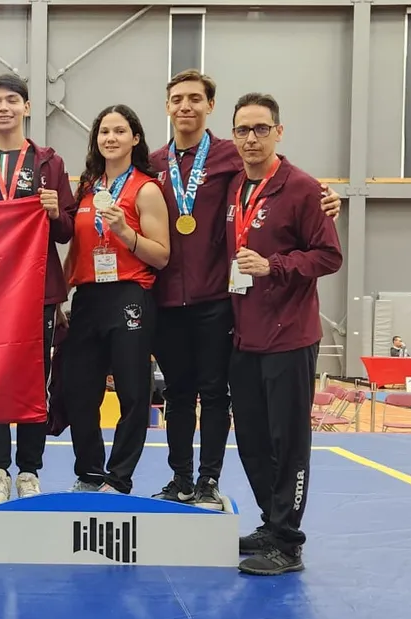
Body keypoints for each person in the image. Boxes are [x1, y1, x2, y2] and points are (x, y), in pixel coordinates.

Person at [149, 70, 342, 510]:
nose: (185, 106)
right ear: (167, 106)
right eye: (177, 99)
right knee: (178, 394)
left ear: (210, 106)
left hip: (219, 299)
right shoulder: (154, 163)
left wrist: (326, 198)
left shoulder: (230, 157)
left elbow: (279, 179)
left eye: (195, 98)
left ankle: (209, 482)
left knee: (216, 394)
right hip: (170, 300)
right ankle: (181, 479)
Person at [226, 93, 343, 575]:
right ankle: (270, 524)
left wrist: (273, 265)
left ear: (279, 131)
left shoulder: (303, 189)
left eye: (260, 128)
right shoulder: (235, 183)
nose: (251, 138)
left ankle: (288, 542)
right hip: (244, 334)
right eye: (242, 130)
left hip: (289, 335)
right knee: (252, 439)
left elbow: (329, 256)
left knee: (288, 442)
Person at [0, 73, 75, 505]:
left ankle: (29, 470)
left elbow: (66, 232)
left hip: (37, 290)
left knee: (34, 381)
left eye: (12, 100)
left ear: (27, 107)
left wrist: (55, 213)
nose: (3, 108)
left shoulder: (49, 164)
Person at [61, 105, 170, 495]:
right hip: (87, 297)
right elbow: (77, 249)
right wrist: (59, 295)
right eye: (104, 131)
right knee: (79, 391)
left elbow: (162, 255)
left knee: (133, 393)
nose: (111, 138)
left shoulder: (146, 188)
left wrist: (126, 233)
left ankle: (119, 476)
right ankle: (89, 472)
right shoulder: (88, 187)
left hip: (129, 295)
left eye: (120, 131)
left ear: (135, 138)